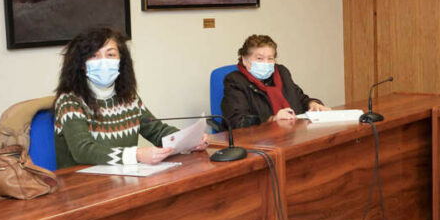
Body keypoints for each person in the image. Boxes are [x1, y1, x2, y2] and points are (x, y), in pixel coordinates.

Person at [53, 27, 208, 168]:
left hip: (123, 179)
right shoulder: (70, 101)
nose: (103, 62)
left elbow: (157, 131)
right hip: (82, 184)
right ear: (82, 63)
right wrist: (137, 155)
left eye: (110, 55)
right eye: (94, 56)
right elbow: (83, 151)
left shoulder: (128, 97)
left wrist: (189, 140)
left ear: (121, 61)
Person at [221, 34, 330, 129]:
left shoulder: (281, 72)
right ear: (244, 60)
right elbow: (238, 121)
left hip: (292, 133)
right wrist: (272, 119)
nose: (266, 63)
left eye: (270, 58)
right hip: (257, 140)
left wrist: (312, 104)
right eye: (259, 58)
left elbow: (299, 98)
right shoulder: (235, 81)